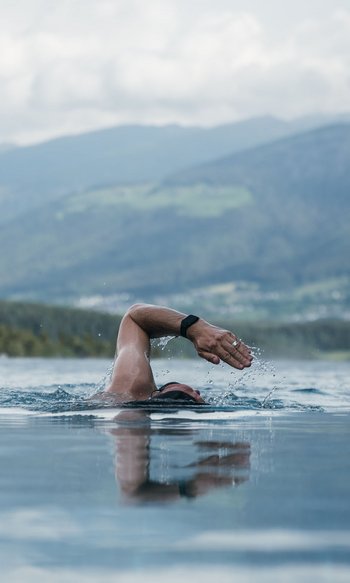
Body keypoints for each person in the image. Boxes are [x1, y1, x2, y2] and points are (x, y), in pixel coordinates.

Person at [95, 303, 253, 405]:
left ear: (158, 395)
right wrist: (194, 328)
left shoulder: (130, 388)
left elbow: (134, 317)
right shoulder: (131, 394)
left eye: (192, 397)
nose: (198, 393)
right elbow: (134, 318)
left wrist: (194, 327)